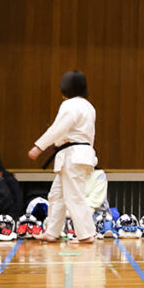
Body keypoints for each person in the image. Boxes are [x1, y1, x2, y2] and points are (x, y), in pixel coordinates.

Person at [28, 70, 98, 244]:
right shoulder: (88, 106)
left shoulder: (70, 105)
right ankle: (52, 231)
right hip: (79, 155)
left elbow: (58, 128)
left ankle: (87, 234)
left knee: (74, 196)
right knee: (56, 195)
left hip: (73, 156)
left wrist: (39, 146)